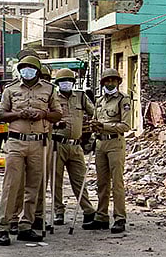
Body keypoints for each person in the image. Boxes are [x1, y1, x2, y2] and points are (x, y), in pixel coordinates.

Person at [0, 56, 61, 246]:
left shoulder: (49, 89)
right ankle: (4, 227)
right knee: (11, 185)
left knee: (34, 187)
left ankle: (26, 225)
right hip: (16, 142)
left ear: (38, 70)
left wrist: (44, 114)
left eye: (31, 68)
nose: (27, 71)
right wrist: (18, 114)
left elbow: (57, 114)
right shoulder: (10, 89)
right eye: (24, 67)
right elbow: (0, 114)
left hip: (38, 143)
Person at [84, 68, 132, 233]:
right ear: (102, 82)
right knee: (101, 183)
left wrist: (104, 126)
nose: (110, 83)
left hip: (115, 144)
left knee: (117, 182)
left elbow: (125, 126)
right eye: (107, 80)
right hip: (100, 144)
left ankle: (119, 218)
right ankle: (101, 216)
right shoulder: (99, 101)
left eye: (113, 80)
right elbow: (95, 121)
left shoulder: (123, 100)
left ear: (118, 82)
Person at [50, 68, 95, 226]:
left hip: (76, 145)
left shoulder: (81, 97)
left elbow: (94, 112)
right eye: (63, 81)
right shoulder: (52, 97)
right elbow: (47, 118)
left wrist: (91, 125)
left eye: (69, 81)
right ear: (58, 83)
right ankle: (58, 211)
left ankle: (88, 210)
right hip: (57, 144)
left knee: (79, 179)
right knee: (56, 180)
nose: (66, 83)